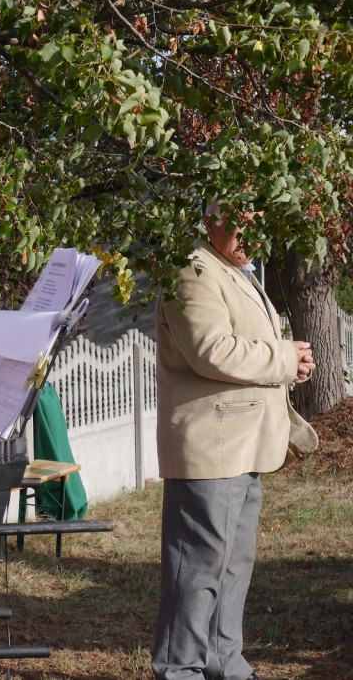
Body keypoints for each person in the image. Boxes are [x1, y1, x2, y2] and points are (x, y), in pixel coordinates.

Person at [152, 199, 317, 680]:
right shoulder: (192, 271)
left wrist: (293, 364)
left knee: (232, 568)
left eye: (256, 225)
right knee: (196, 571)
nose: (250, 236)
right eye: (238, 224)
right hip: (211, 447)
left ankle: (225, 663)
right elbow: (210, 350)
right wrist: (284, 359)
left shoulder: (235, 271)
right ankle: (179, 669)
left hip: (243, 444)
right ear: (209, 220)